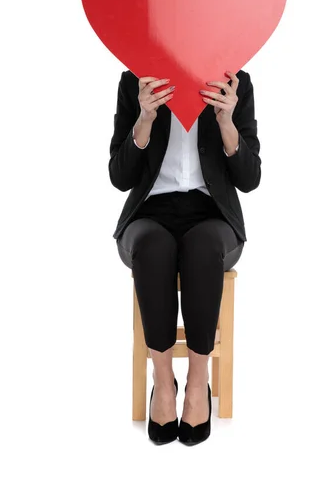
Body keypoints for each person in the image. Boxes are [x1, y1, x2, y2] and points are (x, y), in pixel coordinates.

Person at [109, 68, 261, 445]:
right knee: (155, 247)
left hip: (213, 215)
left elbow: (250, 178)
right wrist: (144, 118)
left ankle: (198, 382)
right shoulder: (135, 79)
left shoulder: (233, 80)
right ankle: (163, 383)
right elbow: (119, 175)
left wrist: (227, 121)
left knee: (202, 248)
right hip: (149, 212)